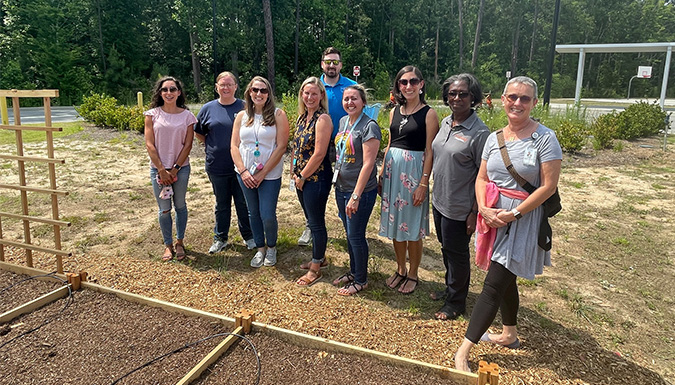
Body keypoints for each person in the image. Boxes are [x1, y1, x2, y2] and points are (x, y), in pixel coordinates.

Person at [454, 76, 562, 372]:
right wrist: (485, 209)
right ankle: (510, 334)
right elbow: (481, 178)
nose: (517, 103)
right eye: (512, 97)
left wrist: (514, 214)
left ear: (534, 103)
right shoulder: (494, 138)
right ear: (502, 99)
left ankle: (464, 350)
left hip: (522, 219)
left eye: (524, 99)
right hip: (493, 216)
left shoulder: (545, 138)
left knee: (493, 284)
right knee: (505, 276)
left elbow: (548, 187)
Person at [430, 73, 490, 320]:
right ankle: (450, 288)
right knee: (447, 249)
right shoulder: (446, 123)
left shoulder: (479, 133)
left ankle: (456, 302)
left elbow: (483, 176)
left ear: (473, 97)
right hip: (440, 200)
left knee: (457, 254)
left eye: (463, 94)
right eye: (452, 93)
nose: (456, 98)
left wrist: (474, 211)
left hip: (460, 206)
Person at [379, 66, 439, 295]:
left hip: (413, 175)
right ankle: (400, 268)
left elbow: (430, 151)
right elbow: (390, 143)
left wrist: (423, 183)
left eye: (413, 81)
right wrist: (382, 173)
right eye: (403, 82)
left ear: (421, 84)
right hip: (393, 174)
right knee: (395, 224)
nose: (408, 86)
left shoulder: (429, 114)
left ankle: (413, 273)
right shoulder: (395, 111)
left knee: (412, 226)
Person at [295, 47, 358, 247]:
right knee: (313, 188)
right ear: (322, 63)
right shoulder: (315, 85)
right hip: (317, 143)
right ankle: (311, 225)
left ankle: (349, 223)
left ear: (341, 65)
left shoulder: (351, 86)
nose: (331, 65)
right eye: (328, 61)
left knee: (343, 186)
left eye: (335, 62)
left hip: (345, 145)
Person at [231, 76, 289, 268]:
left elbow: (281, 147)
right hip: (245, 174)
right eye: (255, 90)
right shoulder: (241, 116)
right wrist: (243, 171)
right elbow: (234, 146)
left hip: (269, 175)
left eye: (263, 90)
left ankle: (271, 247)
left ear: (268, 94)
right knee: (253, 213)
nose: (259, 94)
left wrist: (262, 174)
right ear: (249, 92)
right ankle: (260, 248)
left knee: (267, 214)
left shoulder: (278, 115)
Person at [195, 71, 255, 254]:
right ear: (217, 87)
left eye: (230, 84)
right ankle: (220, 237)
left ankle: (249, 235)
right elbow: (199, 132)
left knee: (243, 203)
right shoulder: (207, 109)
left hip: (242, 167)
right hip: (217, 166)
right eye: (223, 85)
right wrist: (213, 146)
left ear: (236, 87)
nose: (226, 88)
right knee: (222, 204)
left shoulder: (246, 107)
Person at [331, 84, 381, 296]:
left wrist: (356, 195)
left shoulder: (369, 126)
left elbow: (369, 164)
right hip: (341, 187)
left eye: (354, 99)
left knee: (356, 235)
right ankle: (353, 271)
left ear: (363, 102)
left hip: (359, 192)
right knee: (350, 234)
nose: (349, 102)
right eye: (346, 99)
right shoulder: (343, 121)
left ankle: (361, 280)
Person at [144, 76, 197, 262]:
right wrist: (161, 170)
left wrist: (174, 169)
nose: (169, 93)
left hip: (180, 169)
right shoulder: (151, 115)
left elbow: (188, 145)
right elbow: (150, 144)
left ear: (179, 92)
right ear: (160, 93)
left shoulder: (188, 116)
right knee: (164, 209)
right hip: (158, 170)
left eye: (173, 89)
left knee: (180, 206)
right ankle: (167, 245)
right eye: (165, 90)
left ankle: (179, 242)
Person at [291, 77, 333, 286]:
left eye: (314, 93)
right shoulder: (302, 118)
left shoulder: (322, 119)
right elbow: (295, 147)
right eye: (306, 93)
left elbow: (319, 153)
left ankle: (316, 266)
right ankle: (320, 256)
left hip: (316, 178)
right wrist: (293, 172)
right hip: (301, 178)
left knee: (316, 223)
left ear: (321, 96)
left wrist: (303, 176)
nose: (310, 97)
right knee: (310, 218)